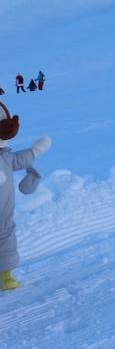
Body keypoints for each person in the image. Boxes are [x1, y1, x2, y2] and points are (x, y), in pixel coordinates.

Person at [1, 101, 52, 291]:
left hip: (3, 215)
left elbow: (22, 159)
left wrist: (36, 150)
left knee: (6, 237)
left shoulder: (6, 157)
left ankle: (5, 274)